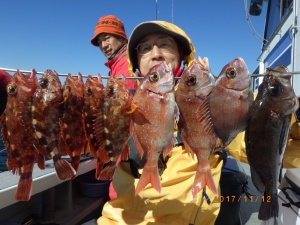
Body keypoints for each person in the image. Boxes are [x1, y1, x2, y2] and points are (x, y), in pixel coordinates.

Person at [96, 20, 300, 225]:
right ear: (136, 63)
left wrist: (288, 116)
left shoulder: (218, 103)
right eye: (145, 48)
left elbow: (270, 148)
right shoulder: (121, 106)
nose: (156, 53)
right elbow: (97, 144)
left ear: (183, 56)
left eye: (165, 44)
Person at [90, 15, 137, 91]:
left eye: (107, 38)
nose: (103, 45)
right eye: (99, 42)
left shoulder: (127, 66)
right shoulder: (116, 64)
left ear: (122, 39)